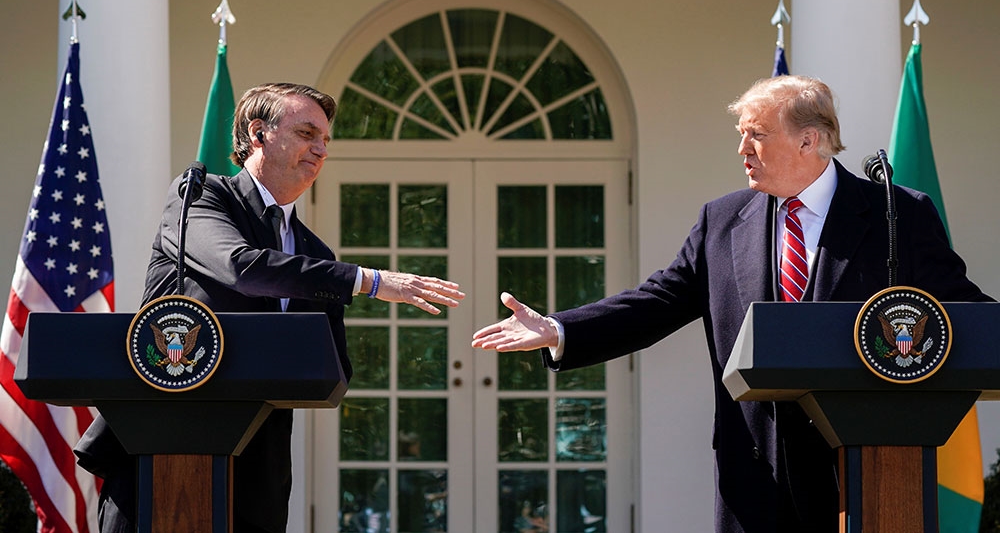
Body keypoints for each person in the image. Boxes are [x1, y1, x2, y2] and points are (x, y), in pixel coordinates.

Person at [471, 75, 991, 533]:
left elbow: (964, 311)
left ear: (809, 139)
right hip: (755, 471)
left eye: (756, 134)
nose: (742, 148)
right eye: (741, 134)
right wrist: (561, 329)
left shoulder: (896, 216)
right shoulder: (721, 221)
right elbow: (658, 300)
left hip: (862, 470)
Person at [75, 82, 465, 533]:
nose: (321, 150)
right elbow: (241, 268)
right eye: (306, 134)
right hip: (161, 444)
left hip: (259, 467)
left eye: (325, 140)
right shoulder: (201, 198)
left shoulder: (314, 253)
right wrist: (370, 281)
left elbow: (334, 369)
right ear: (258, 133)